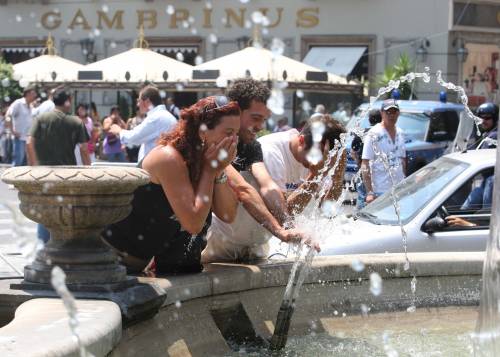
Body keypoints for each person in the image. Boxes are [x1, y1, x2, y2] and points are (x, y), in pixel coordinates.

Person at [102, 96, 240, 274]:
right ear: (203, 132)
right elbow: (193, 223)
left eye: (236, 133)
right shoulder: (169, 158)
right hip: (106, 262)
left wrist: (218, 172)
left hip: (134, 265)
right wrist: (209, 171)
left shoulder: (205, 161)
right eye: (229, 133)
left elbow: (228, 214)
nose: (235, 141)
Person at [202, 114, 343, 262]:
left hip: (257, 244)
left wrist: (338, 174)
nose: (319, 161)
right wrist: (314, 176)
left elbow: (328, 209)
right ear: (301, 140)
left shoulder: (317, 156)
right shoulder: (271, 151)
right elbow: (283, 212)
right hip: (224, 240)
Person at [202, 78, 313, 263]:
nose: (261, 126)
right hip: (216, 241)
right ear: (235, 110)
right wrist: (279, 231)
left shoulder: (251, 145)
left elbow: (267, 185)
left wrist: (288, 225)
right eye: (255, 118)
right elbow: (243, 191)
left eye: (264, 119)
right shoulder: (214, 141)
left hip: (253, 246)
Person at [26, 88, 90, 243]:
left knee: (45, 207)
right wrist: (89, 172)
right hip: (67, 174)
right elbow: (83, 150)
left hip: (44, 173)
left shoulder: (40, 119)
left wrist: (34, 166)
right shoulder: (75, 122)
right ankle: (64, 242)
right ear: (67, 101)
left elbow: (29, 142)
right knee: (67, 208)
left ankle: (43, 244)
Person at [110, 85, 177, 163]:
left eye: (139, 100)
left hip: (155, 168)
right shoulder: (164, 116)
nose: (138, 104)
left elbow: (134, 137)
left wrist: (119, 131)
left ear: (147, 101)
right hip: (161, 166)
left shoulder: (156, 117)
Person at [361, 99, 406, 204]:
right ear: (382, 113)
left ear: (398, 113)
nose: (391, 115)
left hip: (399, 189)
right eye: (388, 112)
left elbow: (403, 160)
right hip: (380, 190)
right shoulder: (374, 133)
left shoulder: (400, 132)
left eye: (394, 112)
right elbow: (365, 164)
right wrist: (370, 192)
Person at [350, 109, 382, 209]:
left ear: (369, 120)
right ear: (381, 119)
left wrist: (359, 163)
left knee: (362, 196)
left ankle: (359, 219)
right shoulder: (382, 134)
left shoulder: (362, 133)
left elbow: (353, 151)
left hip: (364, 169)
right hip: (379, 171)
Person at [5, 85, 37, 166]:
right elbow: (8, 116)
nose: (35, 96)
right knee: (17, 162)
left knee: (26, 163)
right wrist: (12, 131)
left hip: (28, 138)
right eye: (33, 93)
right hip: (19, 138)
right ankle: (11, 178)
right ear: (27, 94)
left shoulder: (30, 106)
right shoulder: (18, 103)